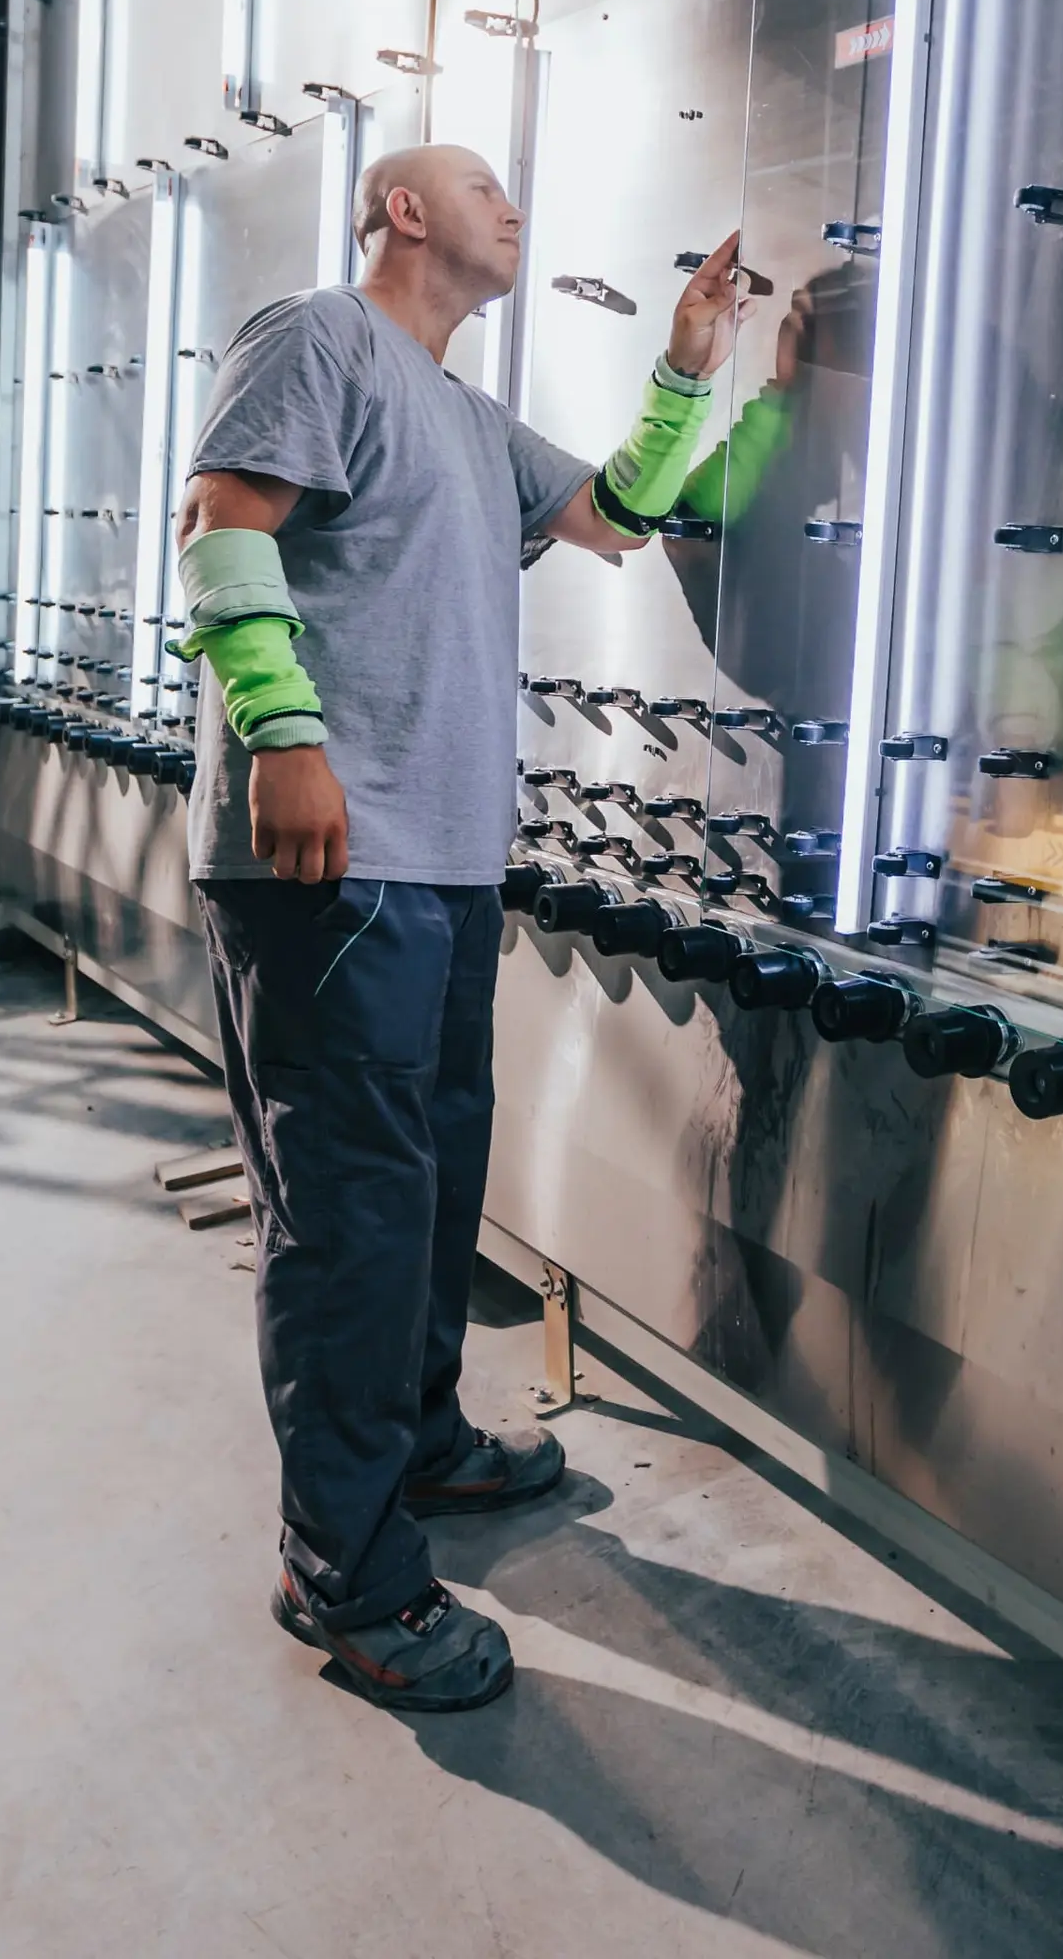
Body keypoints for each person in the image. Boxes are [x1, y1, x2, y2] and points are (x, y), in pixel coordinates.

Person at [169, 141, 751, 1713]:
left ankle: (415, 1441)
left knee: (425, 1190)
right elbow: (223, 527)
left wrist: (689, 365)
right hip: (329, 861)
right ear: (402, 209)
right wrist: (287, 739)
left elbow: (622, 517)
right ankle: (342, 1571)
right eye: (484, 183)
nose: (515, 201)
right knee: (349, 1215)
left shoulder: (471, 418)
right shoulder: (320, 338)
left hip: (439, 865)